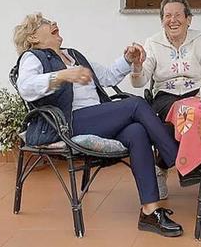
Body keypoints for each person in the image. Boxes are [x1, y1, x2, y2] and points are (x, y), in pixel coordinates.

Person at [13, 13, 184, 237]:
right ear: (34, 36)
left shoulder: (73, 55)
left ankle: (150, 212)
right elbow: (25, 86)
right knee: (136, 105)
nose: (54, 23)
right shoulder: (33, 58)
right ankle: (181, 162)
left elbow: (108, 76)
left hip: (95, 119)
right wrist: (62, 76)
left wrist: (128, 60)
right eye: (46, 23)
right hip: (65, 123)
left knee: (137, 131)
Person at [130, 0, 201, 199]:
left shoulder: (199, 39)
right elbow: (139, 81)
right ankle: (176, 171)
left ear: (189, 19)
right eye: (167, 15)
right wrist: (136, 66)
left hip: (198, 93)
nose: (173, 20)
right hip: (165, 96)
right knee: (182, 114)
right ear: (162, 20)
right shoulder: (152, 43)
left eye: (178, 15)